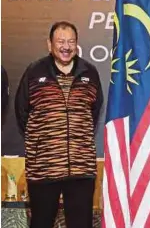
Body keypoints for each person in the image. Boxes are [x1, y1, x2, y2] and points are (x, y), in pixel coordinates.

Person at [14, 21, 103, 228]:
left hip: (82, 168)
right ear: (49, 44)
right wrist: (43, 143)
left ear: (77, 44)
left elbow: (94, 112)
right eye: (60, 41)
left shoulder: (89, 72)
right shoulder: (35, 72)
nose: (66, 46)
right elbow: (22, 113)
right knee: (41, 222)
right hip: (43, 168)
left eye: (71, 41)